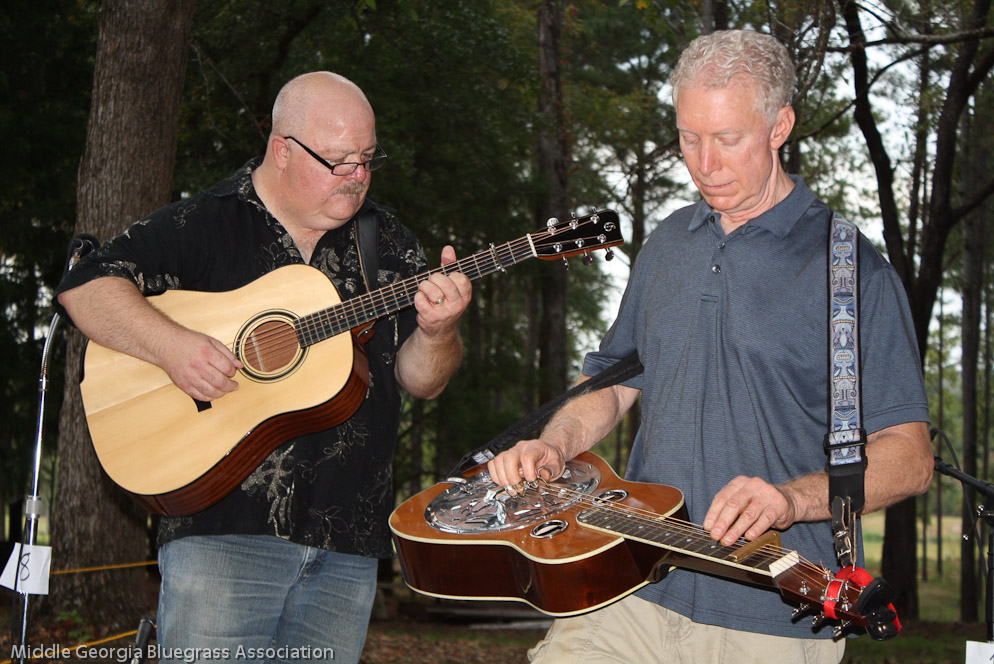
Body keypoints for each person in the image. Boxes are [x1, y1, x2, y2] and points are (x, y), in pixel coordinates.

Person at [487, 30, 932, 664]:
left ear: (779, 126)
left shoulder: (851, 271)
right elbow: (613, 383)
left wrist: (789, 499)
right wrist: (556, 445)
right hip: (630, 585)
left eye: (727, 139)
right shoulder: (668, 243)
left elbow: (909, 458)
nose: (705, 164)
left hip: (775, 611)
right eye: (689, 138)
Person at [56, 71, 471, 663]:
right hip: (220, 533)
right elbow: (86, 287)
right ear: (282, 150)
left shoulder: (388, 242)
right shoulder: (206, 222)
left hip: (347, 543)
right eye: (338, 160)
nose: (357, 175)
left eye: (367, 158)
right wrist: (172, 346)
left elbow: (423, 381)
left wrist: (439, 330)